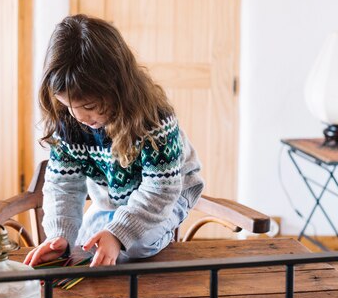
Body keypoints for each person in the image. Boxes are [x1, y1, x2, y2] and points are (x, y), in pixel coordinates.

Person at [24, 14, 204, 268]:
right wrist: (59, 236)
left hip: (171, 193)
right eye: (68, 105)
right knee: (86, 247)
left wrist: (119, 232)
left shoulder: (154, 119)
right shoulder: (70, 121)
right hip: (112, 201)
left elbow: (161, 189)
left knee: (133, 247)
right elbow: (63, 185)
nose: (79, 116)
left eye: (89, 105)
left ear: (116, 87)